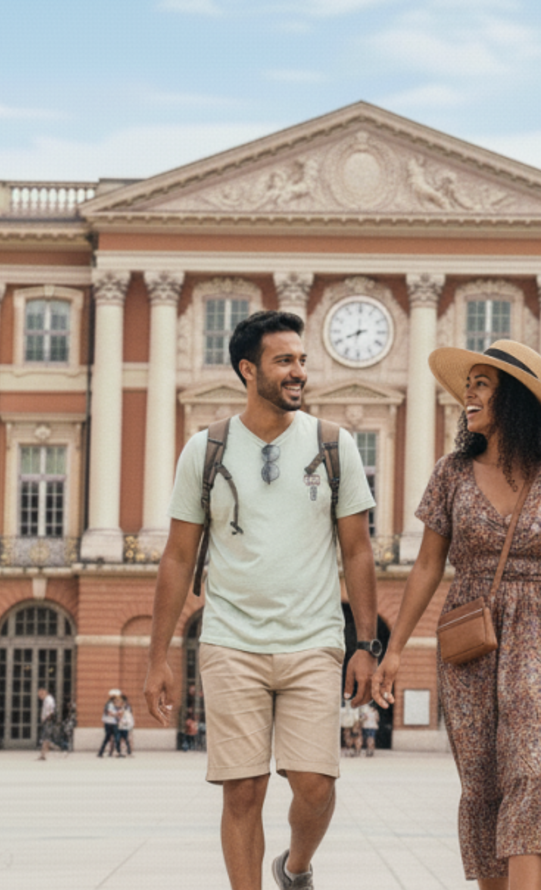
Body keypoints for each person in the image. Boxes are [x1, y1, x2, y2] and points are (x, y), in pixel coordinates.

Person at [371, 338, 541, 890]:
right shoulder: (451, 472)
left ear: (512, 398)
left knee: (534, 770)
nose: (468, 394)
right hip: (469, 629)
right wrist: (393, 650)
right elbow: (425, 567)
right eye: (468, 385)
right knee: (483, 784)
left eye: (481, 385)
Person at [144, 310, 379, 890]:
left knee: (315, 784)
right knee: (242, 788)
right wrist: (157, 658)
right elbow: (177, 556)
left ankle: (296, 866)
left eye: (301, 360)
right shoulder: (205, 449)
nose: (299, 371)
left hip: (314, 638)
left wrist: (366, 643)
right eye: (285, 361)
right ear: (249, 370)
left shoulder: (334, 444)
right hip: (231, 640)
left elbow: (358, 552)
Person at [98, 689, 122, 758]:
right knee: (112, 737)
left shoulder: (113, 704)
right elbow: (109, 713)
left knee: (113, 738)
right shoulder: (109, 704)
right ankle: (102, 752)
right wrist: (117, 714)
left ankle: (103, 752)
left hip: (112, 723)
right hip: (110, 723)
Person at [37, 686, 57, 761]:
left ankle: (44, 754)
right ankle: (44, 754)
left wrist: (46, 719)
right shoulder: (46, 700)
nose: (39, 697)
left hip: (48, 721)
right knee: (45, 738)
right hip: (47, 720)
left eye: (40, 694)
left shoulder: (49, 700)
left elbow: (50, 711)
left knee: (45, 738)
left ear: (44, 692)